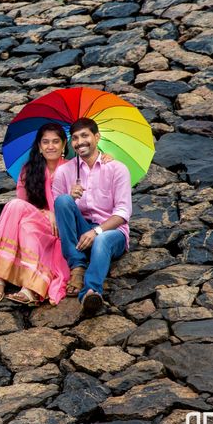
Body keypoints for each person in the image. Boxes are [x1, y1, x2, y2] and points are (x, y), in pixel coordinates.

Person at [0, 123, 73, 306]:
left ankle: (27, 286)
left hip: (61, 228)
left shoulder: (72, 169)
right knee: (18, 210)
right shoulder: (29, 170)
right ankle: (0, 278)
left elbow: (80, 204)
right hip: (35, 221)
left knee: (25, 222)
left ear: (63, 145)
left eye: (55, 142)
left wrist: (55, 213)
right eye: (45, 142)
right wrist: (45, 212)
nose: (50, 146)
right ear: (39, 146)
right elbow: (23, 206)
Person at [51, 117, 132, 317]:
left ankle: (90, 291)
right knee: (62, 200)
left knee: (102, 239)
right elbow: (58, 209)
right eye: (75, 138)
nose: (80, 142)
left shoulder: (116, 168)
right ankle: (77, 265)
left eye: (85, 135)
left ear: (97, 137)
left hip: (111, 232)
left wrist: (96, 231)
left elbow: (123, 213)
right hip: (80, 230)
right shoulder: (64, 171)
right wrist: (71, 196)